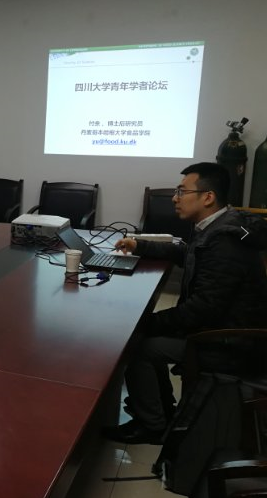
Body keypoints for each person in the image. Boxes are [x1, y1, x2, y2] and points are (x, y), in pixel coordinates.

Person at [103, 162, 267, 444]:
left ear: (208, 197)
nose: (174, 198)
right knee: (145, 334)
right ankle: (163, 412)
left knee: (139, 346)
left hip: (230, 343)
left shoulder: (225, 242)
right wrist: (140, 245)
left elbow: (203, 309)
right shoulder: (221, 225)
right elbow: (189, 254)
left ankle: (152, 425)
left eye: (182, 191)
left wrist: (146, 323)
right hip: (224, 329)